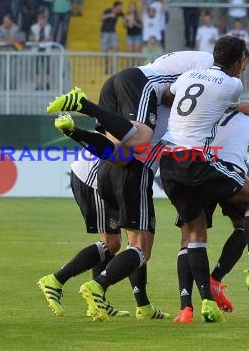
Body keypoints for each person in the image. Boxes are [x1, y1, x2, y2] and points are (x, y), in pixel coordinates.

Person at [45, 50, 216, 322]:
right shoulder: (175, 107)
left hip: (111, 169)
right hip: (132, 174)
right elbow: (171, 99)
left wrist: (75, 133)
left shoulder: (147, 108)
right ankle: (95, 286)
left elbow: (117, 152)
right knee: (139, 249)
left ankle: (138, 304)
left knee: (116, 243)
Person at [159, 36, 249, 323]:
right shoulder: (233, 85)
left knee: (194, 233)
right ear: (238, 61)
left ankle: (201, 304)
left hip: (167, 161)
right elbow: (233, 106)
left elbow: (169, 96)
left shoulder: (189, 75)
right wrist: (240, 106)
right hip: (194, 159)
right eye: (244, 61)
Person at [173, 110, 249, 323]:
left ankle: (186, 308)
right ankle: (232, 275)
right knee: (248, 219)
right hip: (227, 176)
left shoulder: (207, 113)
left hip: (196, 170)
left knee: (189, 238)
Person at [37, 157, 130, 319]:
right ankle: (55, 280)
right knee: (111, 243)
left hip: (98, 176)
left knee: (112, 244)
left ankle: (96, 301)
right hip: (94, 179)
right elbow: (116, 143)